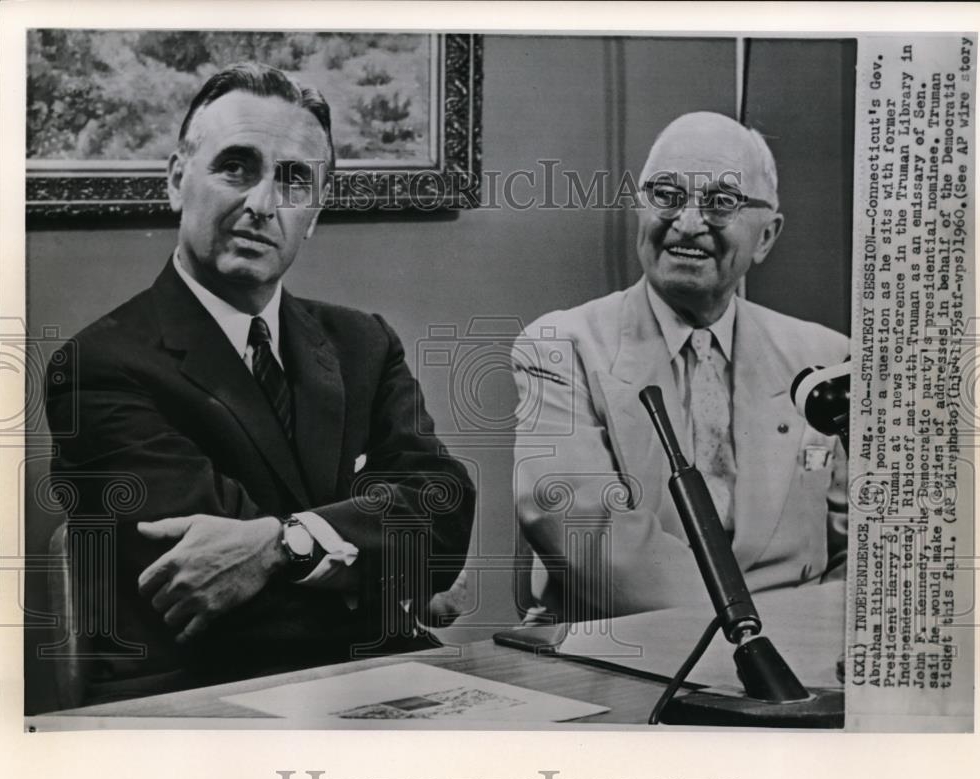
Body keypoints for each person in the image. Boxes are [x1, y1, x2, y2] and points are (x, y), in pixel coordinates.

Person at [44, 63, 475, 702]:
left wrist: (282, 544)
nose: (263, 203)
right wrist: (382, 566)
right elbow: (215, 590)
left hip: (382, 678)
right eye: (236, 167)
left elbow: (442, 507)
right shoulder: (98, 366)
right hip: (200, 701)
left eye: (294, 180)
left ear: (316, 212)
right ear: (175, 180)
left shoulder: (363, 343)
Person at [512, 111, 848, 623]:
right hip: (630, 648)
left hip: (803, 654)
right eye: (666, 195)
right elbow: (590, 535)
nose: (688, 224)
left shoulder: (825, 357)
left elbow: (870, 543)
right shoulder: (559, 348)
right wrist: (748, 637)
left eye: (721, 203)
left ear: (766, 236)